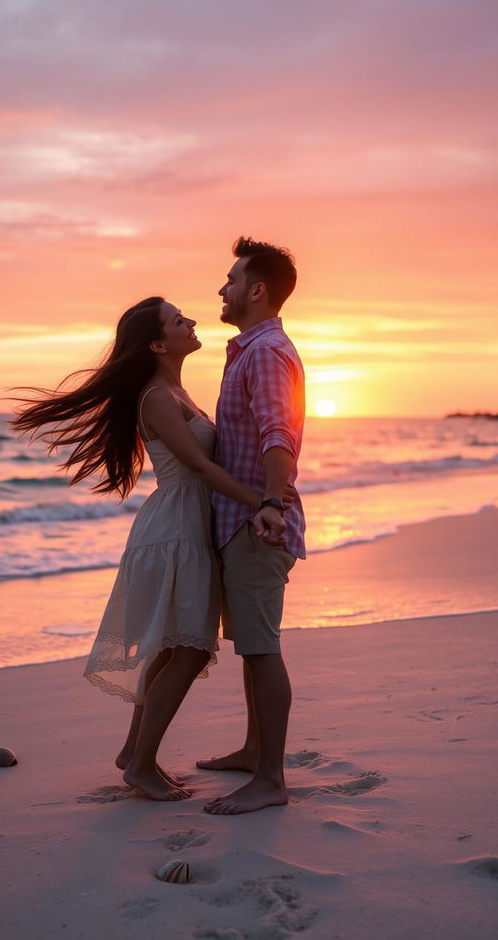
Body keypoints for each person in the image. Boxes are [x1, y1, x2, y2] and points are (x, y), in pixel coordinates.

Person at [12, 297, 291, 802]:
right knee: (187, 649)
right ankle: (140, 765)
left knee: (174, 647)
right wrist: (265, 501)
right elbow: (202, 469)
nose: (191, 320)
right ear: (158, 343)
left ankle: (133, 754)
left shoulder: (175, 390)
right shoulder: (158, 396)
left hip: (186, 524)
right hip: (177, 529)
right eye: (178, 319)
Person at [198, 236, 306, 816]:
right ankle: (252, 750)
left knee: (262, 650)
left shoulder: (265, 352)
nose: (223, 288)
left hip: (258, 522)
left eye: (232, 279)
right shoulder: (250, 350)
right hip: (241, 520)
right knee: (251, 648)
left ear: (256, 289)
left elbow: (278, 433)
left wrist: (271, 505)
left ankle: (271, 778)